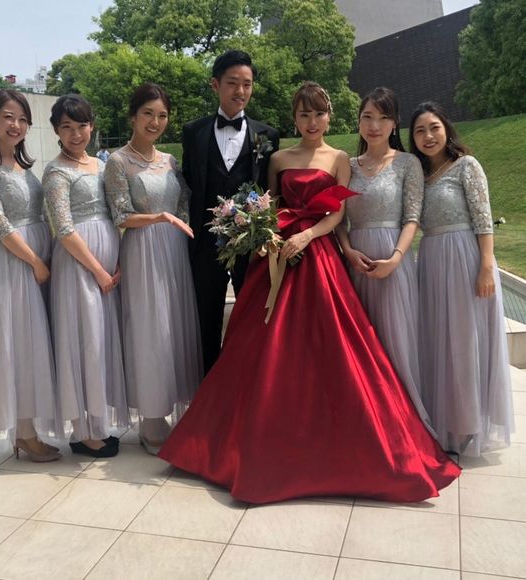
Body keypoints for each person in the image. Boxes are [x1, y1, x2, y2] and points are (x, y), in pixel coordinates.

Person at [159, 82, 461, 504]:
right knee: (262, 343)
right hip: (278, 255)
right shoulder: (278, 158)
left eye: (318, 114)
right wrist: (269, 236)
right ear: (295, 118)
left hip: (318, 253)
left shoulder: (339, 159)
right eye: (304, 115)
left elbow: (337, 214)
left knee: (334, 343)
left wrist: (307, 236)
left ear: (329, 117)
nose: (312, 122)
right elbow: (270, 205)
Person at [410, 101, 513, 456]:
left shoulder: (466, 166)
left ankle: (469, 424)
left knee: (465, 341)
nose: (428, 136)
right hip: (431, 260)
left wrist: (486, 265)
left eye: (434, 127)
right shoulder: (418, 176)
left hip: (465, 259)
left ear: (446, 128)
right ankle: (446, 421)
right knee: (440, 340)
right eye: (420, 131)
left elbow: (483, 218)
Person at [104, 83, 203, 454]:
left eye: (162, 115)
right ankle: (150, 416)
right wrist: (160, 218)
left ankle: (176, 405)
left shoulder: (170, 161)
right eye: (148, 113)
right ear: (133, 116)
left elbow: (183, 204)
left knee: (174, 326)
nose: (155, 122)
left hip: (175, 250)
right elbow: (121, 214)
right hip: (142, 250)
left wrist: (180, 225)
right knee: (149, 329)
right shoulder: (118, 161)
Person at [0, 89, 59, 462]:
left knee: (38, 343)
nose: (15, 125)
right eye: (7, 116)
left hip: (39, 255)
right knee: (20, 344)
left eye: (22, 119)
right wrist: (35, 262)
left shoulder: (24, 166)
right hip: (15, 262)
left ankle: (31, 425)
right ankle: (23, 431)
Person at [336, 87, 431, 429]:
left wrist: (395, 259)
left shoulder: (407, 163)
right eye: (367, 117)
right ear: (358, 121)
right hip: (355, 264)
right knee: (361, 346)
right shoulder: (346, 166)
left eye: (383, 117)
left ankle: (404, 426)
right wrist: (347, 251)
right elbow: (338, 219)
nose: (374, 125)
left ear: (394, 123)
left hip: (394, 262)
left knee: (397, 343)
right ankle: (367, 425)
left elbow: (412, 218)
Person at [183, 50, 280, 373]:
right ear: (215, 84)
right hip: (204, 243)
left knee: (253, 317)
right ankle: (208, 388)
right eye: (232, 83)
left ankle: (250, 383)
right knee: (205, 318)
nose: (240, 91)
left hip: (250, 246)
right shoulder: (193, 132)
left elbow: (268, 187)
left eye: (247, 84)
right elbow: (190, 183)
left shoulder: (266, 135)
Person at [43, 95, 127, 458]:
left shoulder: (102, 165)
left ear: (92, 126)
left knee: (101, 343)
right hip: (79, 268)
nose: (76, 134)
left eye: (82, 125)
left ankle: (98, 423)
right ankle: (82, 431)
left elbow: (117, 213)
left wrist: (117, 260)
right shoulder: (55, 172)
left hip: (106, 270)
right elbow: (63, 228)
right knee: (83, 343)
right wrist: (98, 270)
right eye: (67, 127)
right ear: (56, 131)